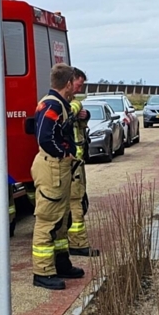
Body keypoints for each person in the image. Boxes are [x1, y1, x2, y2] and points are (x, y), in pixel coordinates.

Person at [31, 63, 86, 290]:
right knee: (48, 221)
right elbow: (45, 138)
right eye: (74, 83)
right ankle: (42, 272)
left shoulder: (59, 104)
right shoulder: (52, 105)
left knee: (62, 221)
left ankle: (61, 263)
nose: (76, 87)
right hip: (52, 168)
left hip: (59, 169)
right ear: (67, 84)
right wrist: (64, 153)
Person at [67, 67, 98, 257]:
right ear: (70, 81)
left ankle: (71, 244)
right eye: (79, 84)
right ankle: (78, 244)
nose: (80, 88)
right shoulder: (67, 105)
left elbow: (78, 128)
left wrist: (85, 117)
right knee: (75, 203)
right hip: (70, 164)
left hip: (76, 162)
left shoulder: (71, 103)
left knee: (77, 202)